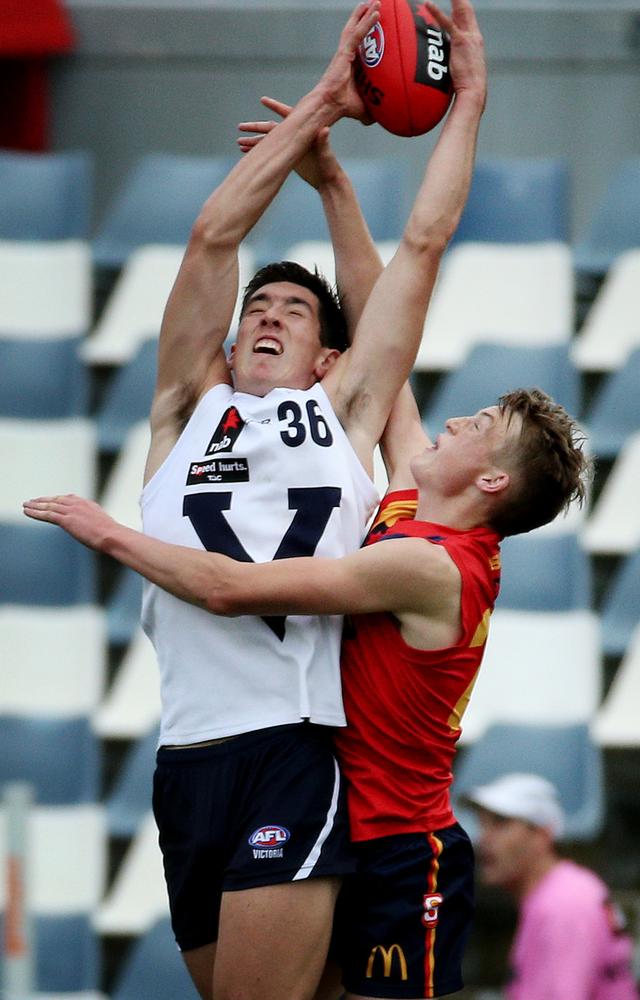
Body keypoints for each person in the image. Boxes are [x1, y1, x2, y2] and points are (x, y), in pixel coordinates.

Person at [27, 4, 490, 999]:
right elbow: (210, 238)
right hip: (182, 758)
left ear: (328, 355)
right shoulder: (182, 413)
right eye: (255, 311)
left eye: (292, 310)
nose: (265, 315)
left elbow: (416, 253)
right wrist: (325, 98)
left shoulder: (347, 414)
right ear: (228, 346)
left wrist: (455, 114)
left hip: (287, 745)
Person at [463, 773, 640, 1000]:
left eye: (501, 823)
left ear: (542, 834)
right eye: (482, 824)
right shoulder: (563, 891)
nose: (483, 838)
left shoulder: (564, 904)